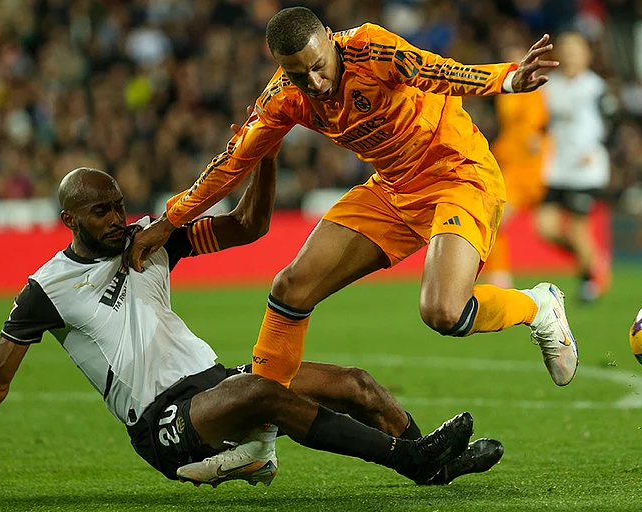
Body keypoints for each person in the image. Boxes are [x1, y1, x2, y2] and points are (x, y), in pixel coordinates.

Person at [0, 162, 502, 488]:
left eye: (119, 206)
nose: (118, 220)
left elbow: (247, 225)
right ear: (69, 219)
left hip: (216, 386)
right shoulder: (46, 289)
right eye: (102, 212)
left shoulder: (151, 239)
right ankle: (412, 459)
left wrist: (264, 153)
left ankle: (433, 465)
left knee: (355, 384)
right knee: (264, 391)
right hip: (164, 425)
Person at [130, 7, 578, 405]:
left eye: (318, 67)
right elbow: (233, 161)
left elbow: (435, 71)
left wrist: (506, 78)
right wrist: (170, 220)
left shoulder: (370, 48)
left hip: (458, 173)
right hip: (392, 189)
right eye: (299, 75)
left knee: (443, 311)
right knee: (291, 288)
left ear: (330, 38)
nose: (314, 83)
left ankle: (538, 306)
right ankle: (259, 434)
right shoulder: (285, 96)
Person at [536, 32, 611, 303]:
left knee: (579, 229)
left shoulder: (595, 87)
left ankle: (589, 282)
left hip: (585, 168)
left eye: (575, 50)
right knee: (545, 227)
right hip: (556, 166)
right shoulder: (548, 86)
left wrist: (597, 147)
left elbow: (613, 123)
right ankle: (593, 260)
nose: (570, 55)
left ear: (586, 55)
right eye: (566, 50)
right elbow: (542, 122)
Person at [482, 42, 551, 289]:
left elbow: (537, 123)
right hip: (514, 167)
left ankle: (590, 265)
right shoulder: (505, 92)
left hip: (533, 168)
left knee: (548, 227)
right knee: (495, 219)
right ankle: (499, 275)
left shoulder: (533, 89)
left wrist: (533, 136)